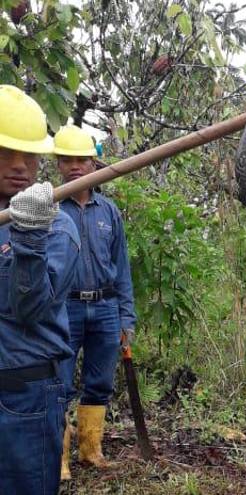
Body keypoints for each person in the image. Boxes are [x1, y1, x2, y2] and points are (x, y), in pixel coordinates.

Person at [0, 85, 80, 494]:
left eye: (28, 155)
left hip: (24, 397)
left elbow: (29, 308)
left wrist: (27, 239)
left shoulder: (58, 227)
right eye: (6, 154)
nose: (19, 166)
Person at [54, 124, 136, 479]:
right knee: (58, 383)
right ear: (58, 164)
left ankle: (91, 451)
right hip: (65, 308)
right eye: (68, 160)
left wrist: (126, 318)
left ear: (93, 164)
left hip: (104, 308)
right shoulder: (52, 209)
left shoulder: (109, 212)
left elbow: (121, 270)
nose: (75, 166)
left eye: (82, 160)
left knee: (99, 381)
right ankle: (58, 460)